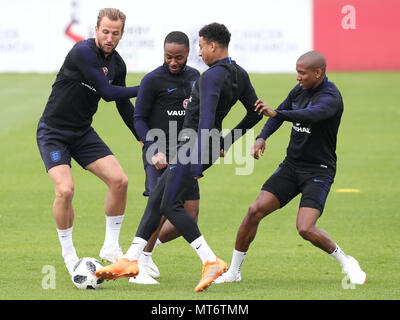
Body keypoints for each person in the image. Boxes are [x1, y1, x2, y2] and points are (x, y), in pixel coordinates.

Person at [95, 22, 263, 292]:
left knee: (171, 205)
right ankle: (131, 260)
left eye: (200, 46)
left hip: (191, 148)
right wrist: (227, 141)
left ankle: (210, 260)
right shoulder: (239, 74)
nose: (199, 52)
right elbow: (255, 112)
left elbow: (205, 119)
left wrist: (197, 159)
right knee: (160, 199)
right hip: (200, 147)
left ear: (212, 45)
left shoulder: (208, 77)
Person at [214, 50, 367, 285]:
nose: (298, 77)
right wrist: (262, 138)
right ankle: (234, 272)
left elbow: (310, 115)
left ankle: (347, 261)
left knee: (305, 228)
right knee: (254, 211)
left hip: (319, 170)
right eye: (297, 72)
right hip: (291, 166)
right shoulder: (299, 91)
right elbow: (276, 116)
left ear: (318, 73)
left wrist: (279, 113)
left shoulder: (331, 97)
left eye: (302, 73)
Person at [36, 8, 140, 275]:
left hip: (82, 133)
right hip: (54, 132)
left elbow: (122, 103)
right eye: (105, 31)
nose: (109, 37)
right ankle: (69, 254)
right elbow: (106, 93)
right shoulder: (82, 52)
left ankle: (110, 247)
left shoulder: (118, 64)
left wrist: (142, 137)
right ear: (96, 30)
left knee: (120, 181)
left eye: (115, 33)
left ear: (122, 34)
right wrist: (150, 86)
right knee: (65, 191)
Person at [131, 31, 201, 285]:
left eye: (179, 57)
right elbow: (138, 118)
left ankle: (145, 254)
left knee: (190, 215)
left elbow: (201, 114)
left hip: (185, 154)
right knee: (159, 209)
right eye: (169, 56)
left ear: (187, 54)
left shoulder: (195, 77)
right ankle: (138, 265)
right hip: (158, 153)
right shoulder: (152, 80)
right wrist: (152, 148)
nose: (173, 62)